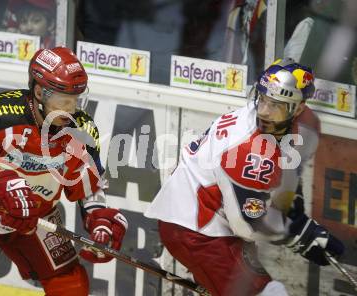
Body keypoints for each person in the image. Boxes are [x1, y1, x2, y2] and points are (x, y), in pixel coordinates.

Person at [0, 46, 128, 296]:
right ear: (39, 92)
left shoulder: (82, 130)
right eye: (64, 100)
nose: (72, 109)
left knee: (71, 286)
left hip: (35, 214)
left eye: (76, 99)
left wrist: (99, 218)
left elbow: (88, 185)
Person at [145, 58, 344, 296]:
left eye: (276, 105)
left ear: (299, 108)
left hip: (215, 217)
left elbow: (288, 173)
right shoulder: (247, 150)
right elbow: (247, 226)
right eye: (262, 99)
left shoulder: (302, 124)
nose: (264, 112)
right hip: (196, 230)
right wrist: (301, 236)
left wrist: (298, 220)